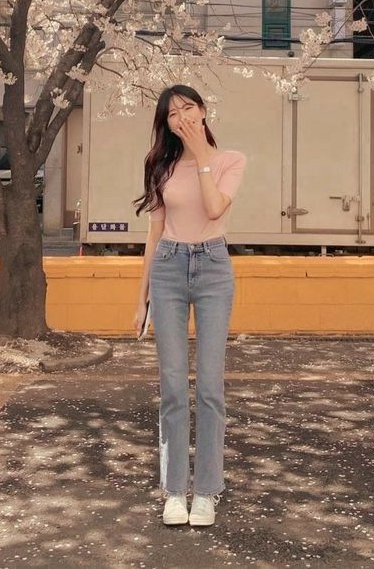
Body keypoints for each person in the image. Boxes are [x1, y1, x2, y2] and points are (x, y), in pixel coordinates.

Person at [132, 84, 247, 527]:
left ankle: (207, 493)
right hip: (168, 268)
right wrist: (140, 297)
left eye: (188, 107)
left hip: (214, 266)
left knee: (211, 389)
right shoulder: (159, 165)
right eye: (172, 111)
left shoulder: (230, 161)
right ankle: (174, 491)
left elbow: (215, 209)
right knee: (175, 388)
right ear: (166, 122)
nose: (181, 115)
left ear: (202, 110)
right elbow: (154, 232)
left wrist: (201, 155)